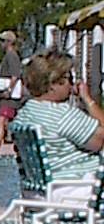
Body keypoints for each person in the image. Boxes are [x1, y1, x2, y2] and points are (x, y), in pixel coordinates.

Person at [14, 50, 104, 202]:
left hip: (37, 192)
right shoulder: (61, 115)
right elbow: (101, 140)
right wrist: (88, 100)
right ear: (53, 84)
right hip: (73, 190)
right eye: (69, 78)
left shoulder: (24, 115)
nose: (72, 84)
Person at [0, 30, 25, 153]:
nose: (0, 43)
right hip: (6, 95)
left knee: (1, 120)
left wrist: (9, 90)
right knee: (6, 121)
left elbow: (15, 75)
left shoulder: (12, 56)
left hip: (9, 96)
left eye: (3, 41)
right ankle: (11, 146)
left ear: (9, 42)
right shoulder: (8, 56)